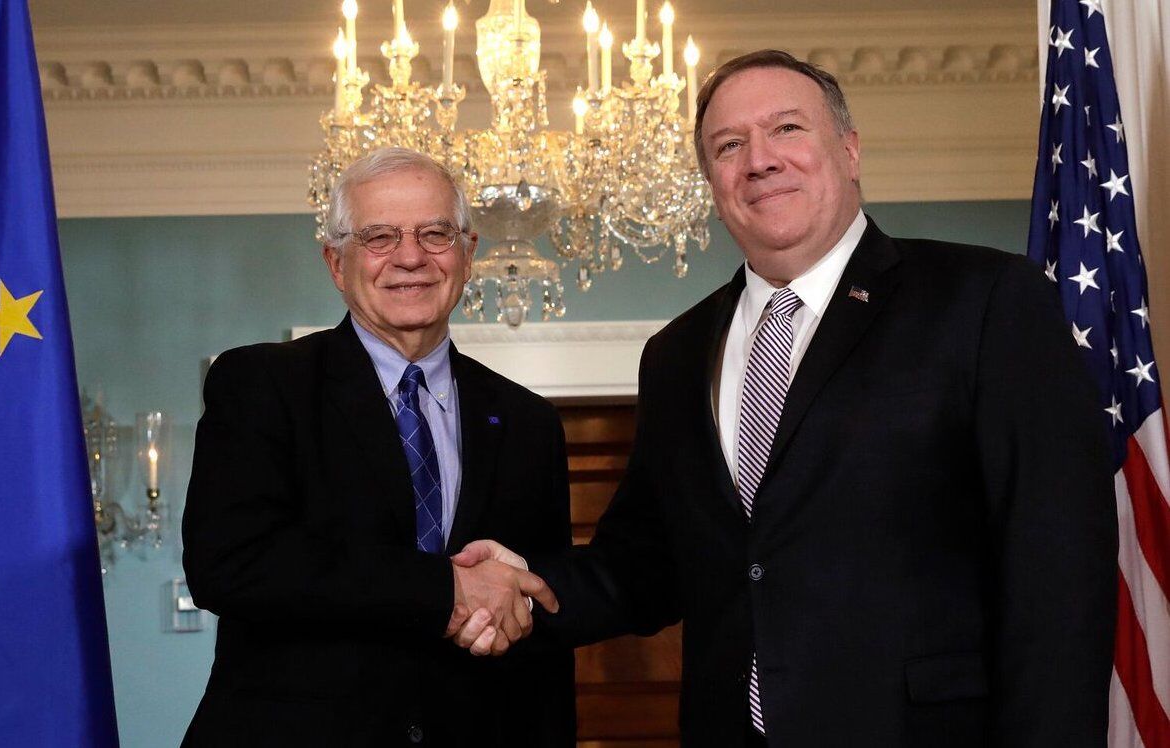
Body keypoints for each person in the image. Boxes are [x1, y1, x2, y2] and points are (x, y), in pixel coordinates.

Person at [451, 50, 1117, 746]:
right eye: (728, 146)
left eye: (787, 129)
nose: (759, 161)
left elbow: (1059, 572)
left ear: (850, 150)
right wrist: (521, 587)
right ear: (711, 182)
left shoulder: (985, 301)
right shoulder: (676, 354)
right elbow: (647, 562)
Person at [180, 147, 575, 747]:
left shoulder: (529, 422)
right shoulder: (261, 384)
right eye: (379, 237)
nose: (410, 257)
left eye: (435, 234)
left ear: (468, 255)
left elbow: (538, 618)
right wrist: (444, 589)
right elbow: (230, 565)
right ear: (336, 263)